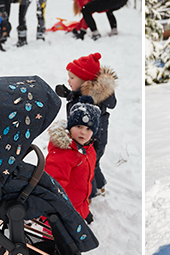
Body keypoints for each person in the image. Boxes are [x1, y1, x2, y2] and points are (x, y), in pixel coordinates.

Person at [55, 52, 117, 199]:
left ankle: (90, 193)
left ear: (85, 82)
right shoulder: (92, 95)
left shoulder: (88, 103)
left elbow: (81, 118)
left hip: (92, 139)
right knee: (94, 163)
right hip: (95, 138)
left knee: (88, 166)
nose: (68, 81)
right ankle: (101, 186)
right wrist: (69, 94)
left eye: (72, 78)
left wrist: (72, 97)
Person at [45, 96, 101, 224]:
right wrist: (52, 218)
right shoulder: (62, 153)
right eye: (79, 126)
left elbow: (85, 180)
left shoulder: (88, 149)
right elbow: (53, 187)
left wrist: (84, 210)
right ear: (70, 126)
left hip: (79, 206)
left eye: (88, 129)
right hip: (62, 212)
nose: (83, 132)